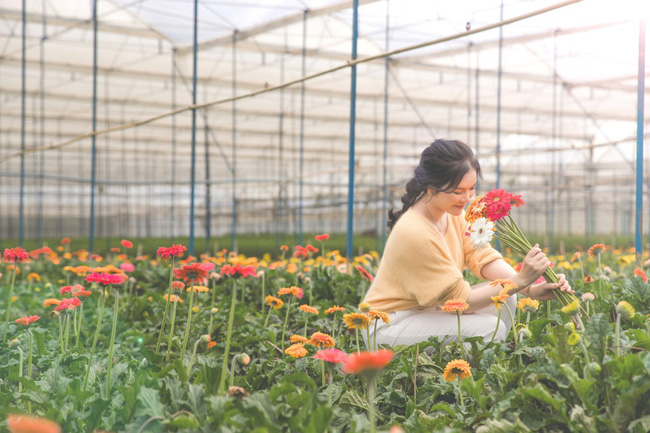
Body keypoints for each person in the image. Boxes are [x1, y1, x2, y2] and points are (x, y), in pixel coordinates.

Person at [363, 139, 572, 346]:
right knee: (491, 326)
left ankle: (475, 355)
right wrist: (521, 280)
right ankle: (464, 370)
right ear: (431, 188)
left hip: (424, 311)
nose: (467, 198)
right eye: (457, 191)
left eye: (471, 188)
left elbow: (482, 256)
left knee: (507, 298)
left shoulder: (451, 214)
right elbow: (460, 302)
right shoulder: (415, 232)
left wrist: (530, 289)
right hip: (388, 323)